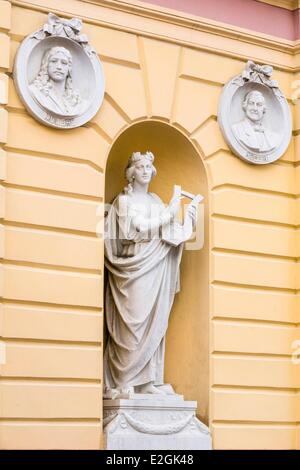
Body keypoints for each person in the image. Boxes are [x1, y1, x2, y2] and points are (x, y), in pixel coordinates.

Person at [104, 151, 200, 397]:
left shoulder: (156, 201)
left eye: (149, 166)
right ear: (131, 172)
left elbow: (172, 234)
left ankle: (147, 381)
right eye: (141, 166)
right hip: (133, 268)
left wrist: (188, 219)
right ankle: (123, 380)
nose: (146, 170)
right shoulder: (124, 202)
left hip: (157, 267)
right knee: (133, 322)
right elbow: (134, 230)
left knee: (155, 322)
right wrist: (171, 209)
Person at [29, 46, 86, 116]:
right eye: (54, 61)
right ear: (46, 64)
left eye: (64, 63)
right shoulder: (35, 91)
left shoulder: (77, 101)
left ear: (69, 69)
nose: (59, 67)